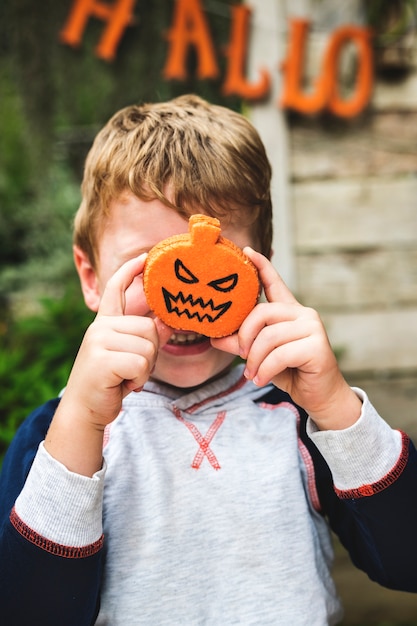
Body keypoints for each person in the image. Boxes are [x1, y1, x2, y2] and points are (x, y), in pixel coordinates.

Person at [0, 94, 416, 626]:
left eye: (220, 271)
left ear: (259, 269)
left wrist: (336, 407)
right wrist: (81, 422)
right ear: (90, 276)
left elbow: (407, 562)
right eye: (150, 268)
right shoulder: (57, 438)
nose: (184, 302)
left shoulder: (301, 419)